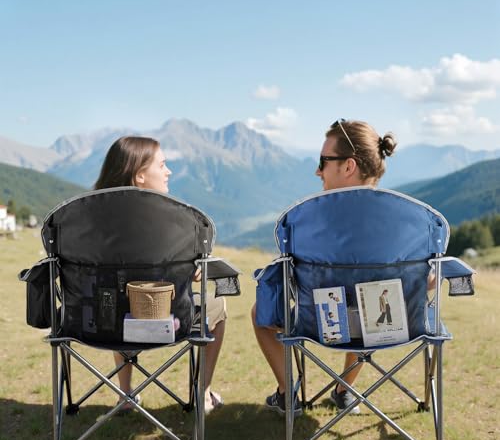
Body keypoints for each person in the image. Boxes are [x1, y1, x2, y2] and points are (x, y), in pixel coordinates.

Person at [251, 119, 397, 416]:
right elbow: (425, 280)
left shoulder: (308, 220)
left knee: (259, 313)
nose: (317, 171)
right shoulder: (402, 221)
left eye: (323, 162)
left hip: (319, 322)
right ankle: (345, 390)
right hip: (387, 323)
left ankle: (287, 393)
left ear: (348, 166)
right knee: (369, 305)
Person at [94, 136, 226, 413]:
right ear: (140, 176)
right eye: (162, 165)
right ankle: (203, 392)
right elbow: (191, 271)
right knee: (217, 304)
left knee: (118, 300)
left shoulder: (89, 222)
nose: (169, 171)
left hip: (101, 319)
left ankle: (125, 394)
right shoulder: (177, 222)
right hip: (169, 318)